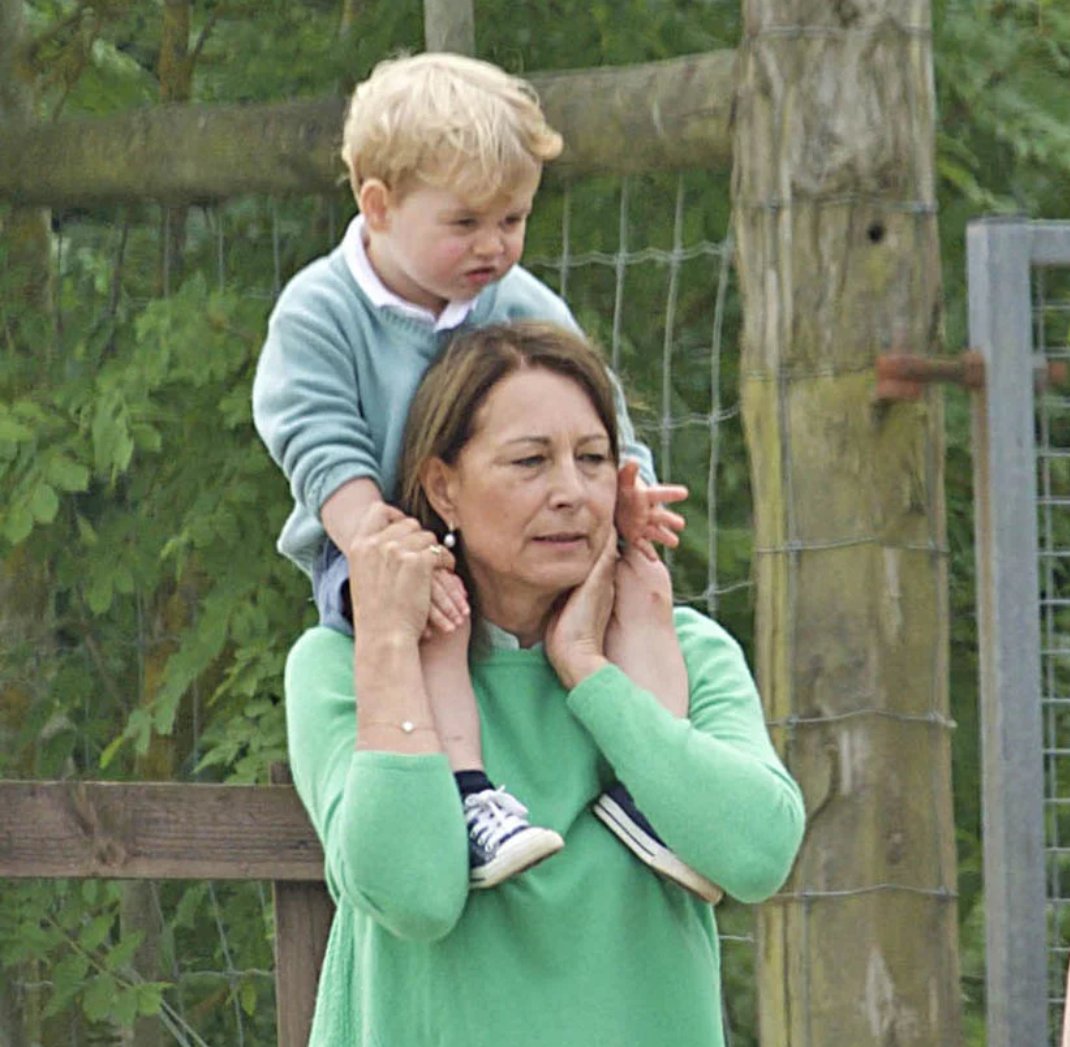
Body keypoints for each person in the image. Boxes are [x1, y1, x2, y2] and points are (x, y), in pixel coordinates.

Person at [284, 321, 806, 1047]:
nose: (571, 493)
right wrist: (390, 642)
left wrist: (589, 671)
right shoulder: (345, 666)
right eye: (530, 461)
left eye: (593, 459)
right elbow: (414, 895)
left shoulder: (689, 649)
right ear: (443, 487)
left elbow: (758, 854)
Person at [252, 53, 702, 892]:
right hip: (374, 536)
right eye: (466, 223)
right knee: (433, 612)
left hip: (513, 533)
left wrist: (628, 491)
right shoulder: (319, 311)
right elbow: (318, 442)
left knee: (640, 584)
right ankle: (468, 795)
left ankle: (656, 789)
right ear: (378, 205)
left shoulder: (522, 300)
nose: (494, 245)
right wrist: (388, 549)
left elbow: (594, 406)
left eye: (514, 218)